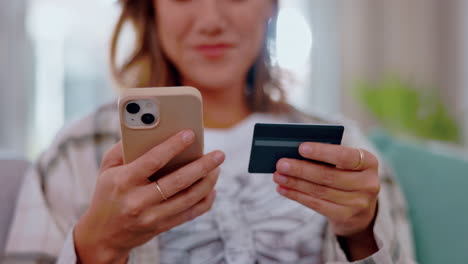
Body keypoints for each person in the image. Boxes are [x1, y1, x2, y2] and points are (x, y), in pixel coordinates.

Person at [5, 0, 416, 263]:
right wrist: (97, 247)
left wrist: (361, 233)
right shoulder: (77, 150)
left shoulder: (342, 147)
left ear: (270, 7)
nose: (211, 20)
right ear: (150, 8)